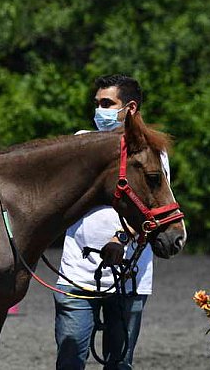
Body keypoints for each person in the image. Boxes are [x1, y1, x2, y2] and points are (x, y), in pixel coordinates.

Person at [53, 74, 171, 370]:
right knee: (69, 362)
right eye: (97, 103)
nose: (99, 110)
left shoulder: (152, 151)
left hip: (129, 275)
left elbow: (155, 207)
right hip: (76, 274)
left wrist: (122, 237)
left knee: (119, 365)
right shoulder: (80, 144)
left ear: (129, 108)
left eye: (107, 103)